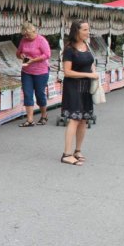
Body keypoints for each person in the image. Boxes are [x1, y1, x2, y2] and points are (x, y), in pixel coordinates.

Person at [60, 20, 99, 166]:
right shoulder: (70, 49)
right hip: (73, 87)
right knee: (74, 119)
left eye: (88, 29)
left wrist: (94, 72)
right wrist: (89, 75)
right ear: (77, 31)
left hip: (86, 88)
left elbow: (91, 63)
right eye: (85, 30)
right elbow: (67, 72)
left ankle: (77, 150)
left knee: (84, 119)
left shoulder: (87, 45)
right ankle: (66, 154)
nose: (88, 32)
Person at [16, 22, 51, 126]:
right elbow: (18, 52)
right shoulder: (23, 40)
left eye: (28, 35)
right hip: (27, 71)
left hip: (41, 71)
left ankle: (44, 115)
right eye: (24, 35)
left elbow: (47, 54)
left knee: (40, 94)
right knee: (27, 94)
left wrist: (34, 60)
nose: (26, 37)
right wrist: (20, 55)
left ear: (34, 32)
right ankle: (30, 119)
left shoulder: (41, 40)